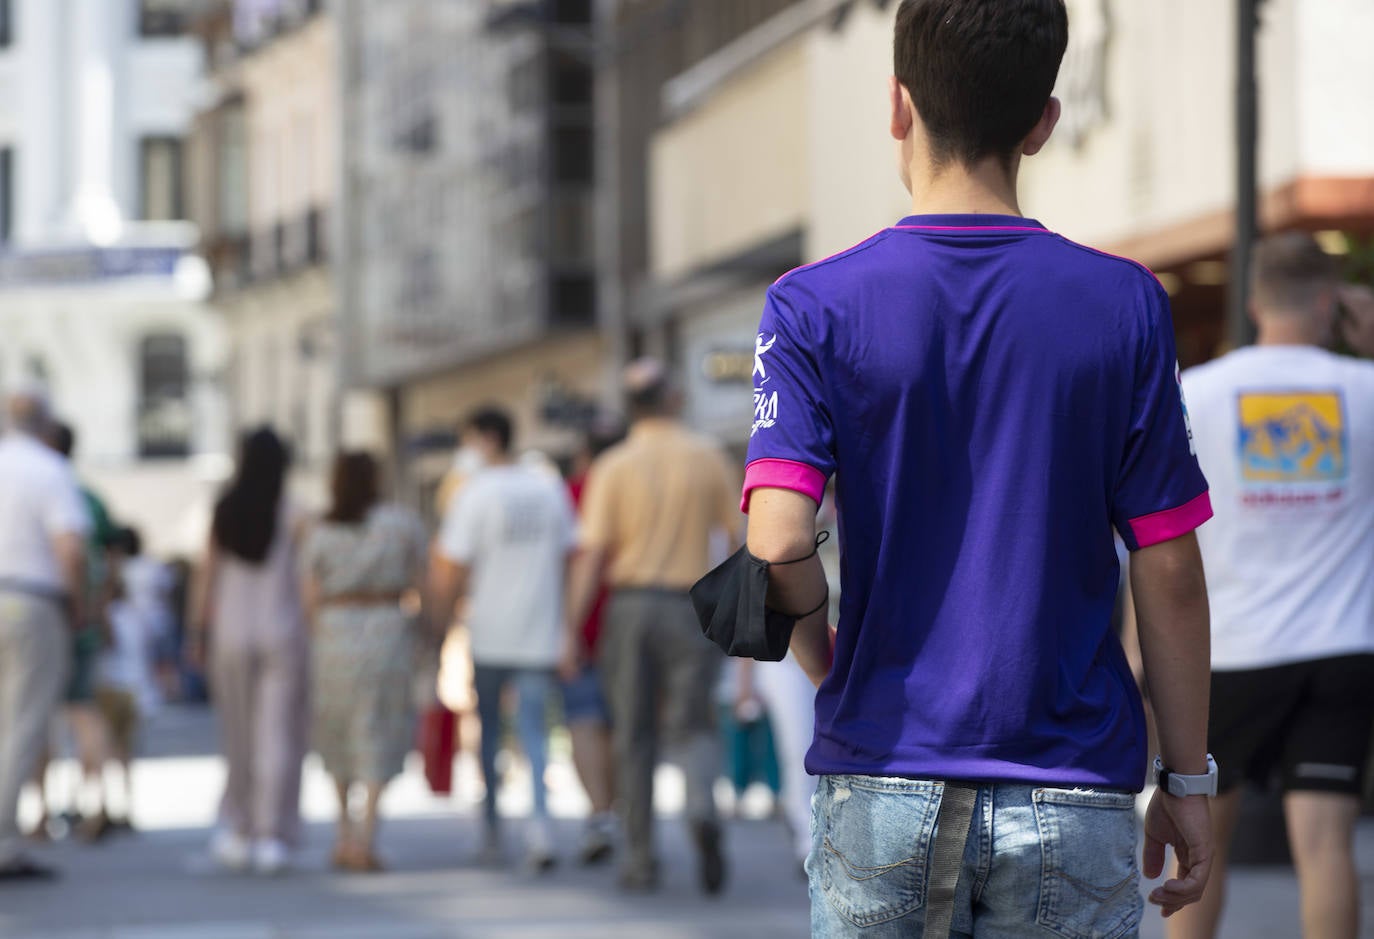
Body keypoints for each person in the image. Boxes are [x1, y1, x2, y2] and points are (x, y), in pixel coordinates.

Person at [741, 2, 1215, 934]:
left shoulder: (810, 306)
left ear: (896, 106)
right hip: (1072, 780)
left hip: (882, 770)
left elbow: (779, 537)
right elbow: (1169, 563)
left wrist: (829, 664)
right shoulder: (1124, 303)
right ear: (1045, 120)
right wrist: (1187, 778)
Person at [1170, 237, 1374, 939]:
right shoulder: (1367, 390)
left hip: (1229, 652)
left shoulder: (1195, 391)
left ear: (1254, 302)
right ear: (1330, 302)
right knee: (1324, 850)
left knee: (1202, 848)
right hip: (1341, 648)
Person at [566, 359, 742, 894]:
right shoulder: (708, 455)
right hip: (692, 604)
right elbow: (738, 539)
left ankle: (640, 859)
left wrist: (570, 628)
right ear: (672, 399)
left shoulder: (614, 465)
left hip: (631, 606)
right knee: (693, 723)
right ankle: (700, 806)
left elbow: (592, 554)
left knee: (634, 732)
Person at [433, 407, 577, 872]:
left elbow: (452, 563)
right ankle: (541, 829)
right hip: (539, 628)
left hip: (490, 630)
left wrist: (440, 619)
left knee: (491, 733)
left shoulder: (476, 492)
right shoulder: (547, 487)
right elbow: (570, 554)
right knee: (536, 734)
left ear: (487, 438)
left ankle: (492, 830)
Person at [301, 451, 430, 873]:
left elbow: (308, 596)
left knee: (337, 730)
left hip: (335, 632)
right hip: (387, 629)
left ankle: (343, 834)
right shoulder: (402, 523)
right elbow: (423, 583)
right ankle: (366, 836)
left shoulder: (320, 530)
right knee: (379, 727)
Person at [190, 428, 308, 876]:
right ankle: (272, 832)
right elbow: (306, 581)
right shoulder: (295, 514)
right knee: (278, 734)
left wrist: (196, 632)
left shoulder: (224, 510)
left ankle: (238, 825)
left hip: (231, 633)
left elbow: (206, 576)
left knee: (237, 735)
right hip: (283, 631)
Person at [0, 384, 90, 880]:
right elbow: (70, 549)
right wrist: (78, 607)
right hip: (30, 601)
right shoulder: (48, 469)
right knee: (22, 723)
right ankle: (3, 840)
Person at [28, 421, 118, 843]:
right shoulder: (89, 497)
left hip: (60, 609)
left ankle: (45, 811)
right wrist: (99, 610)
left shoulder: (45, 488)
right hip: (77, 613)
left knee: (41, 714)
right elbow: (111, 560)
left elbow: (77, 555)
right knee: (81, 709)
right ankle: (93, 804)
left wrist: (84, 608)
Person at [557, 422, 623, 866]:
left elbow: (566, 560)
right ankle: (619, 812)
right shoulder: (636, 485)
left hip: (579, 622)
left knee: (584, 720)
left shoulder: (571, 491)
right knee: (624, 725)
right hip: (632, 618)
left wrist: (566, 627)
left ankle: (600, 814)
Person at [91, 529, 161, 834]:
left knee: (107, 749)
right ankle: (119, 806)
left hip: (114, 685)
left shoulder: (118, 616)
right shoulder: (136, 614)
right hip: (131, 687)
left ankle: (106, 806)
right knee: (122, 752)